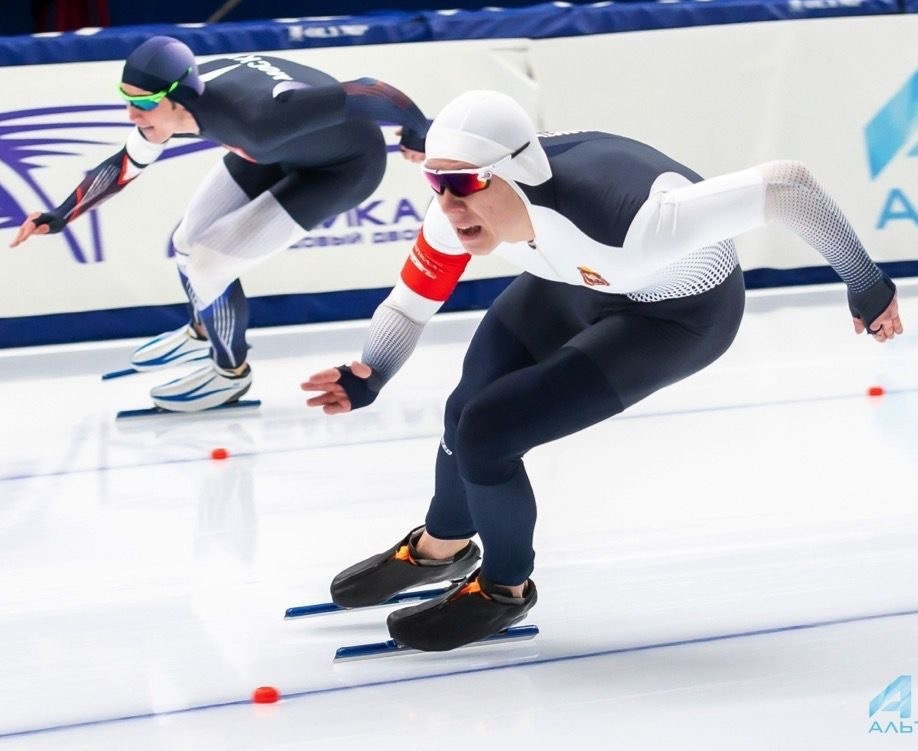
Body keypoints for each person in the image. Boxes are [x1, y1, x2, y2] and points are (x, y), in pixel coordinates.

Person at [301, 89, 903, 652]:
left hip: (677, 315)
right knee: (463, 410)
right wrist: (370, 374)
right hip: (572, 278)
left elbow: (787, 186)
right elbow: (408, 305)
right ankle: (441, 547)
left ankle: (503, 591)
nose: (449, 205)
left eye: (465, 184)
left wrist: (867, 284)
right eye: (436, 183)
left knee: (488, 434)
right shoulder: (455, 215)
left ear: (516, 175)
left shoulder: (637, 221)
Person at [10, 36, 428, 411]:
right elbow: (125, 165)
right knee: (186, 242)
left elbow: (372, 90)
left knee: (209, 265)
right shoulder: (178, 106)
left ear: (178, 97)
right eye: (127, 98)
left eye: (142, 103)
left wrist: (418, 131)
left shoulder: (257, 117)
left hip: (342, 167)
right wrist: (61, 215)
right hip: (276, 150)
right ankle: (201, 331)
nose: (131, 114)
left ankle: (230, 375)